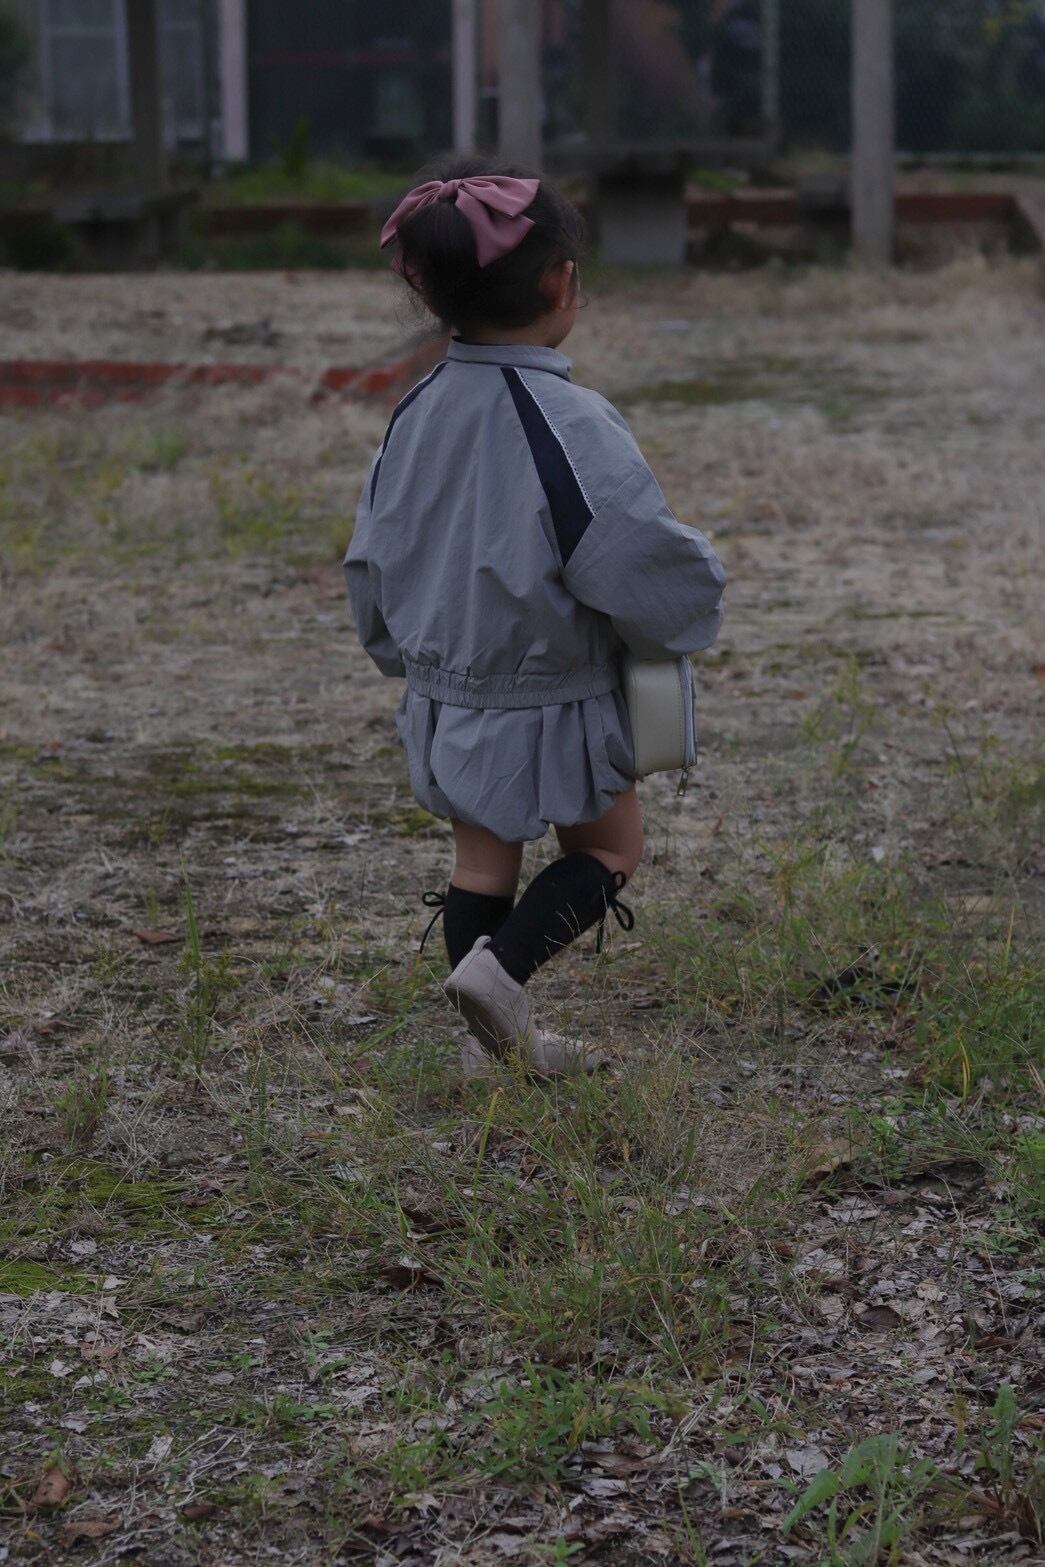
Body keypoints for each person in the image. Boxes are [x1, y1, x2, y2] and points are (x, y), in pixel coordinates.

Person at [345, 160, 726, 1076]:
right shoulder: (570, 418)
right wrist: (693, 597)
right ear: (560, 283)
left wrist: (398, 651)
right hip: (556, 691)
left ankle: (487, 1050)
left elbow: (373, 549)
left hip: (452, 690)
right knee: (611, 844)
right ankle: (501, 975)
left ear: (433, 295)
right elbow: (629, 553)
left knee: (481, 862)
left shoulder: (413, 412)